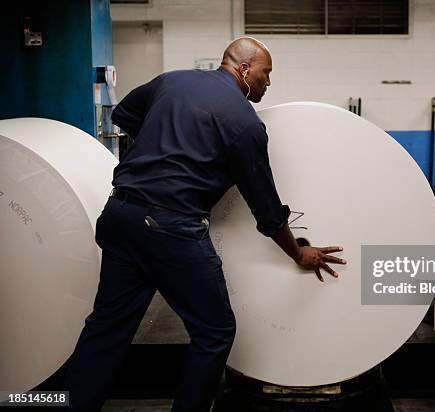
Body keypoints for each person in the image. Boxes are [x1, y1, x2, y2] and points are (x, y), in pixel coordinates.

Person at [61, 37, 346, 411]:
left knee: (107, 328)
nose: (269, 82)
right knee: (214, 331)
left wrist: (164, 147)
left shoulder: (173, 81)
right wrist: (298, 252)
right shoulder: (244, 122)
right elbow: (266, 207)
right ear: (244, 69)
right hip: (170, 228)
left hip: (120, 216)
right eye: (266, 72)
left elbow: (124, 115)